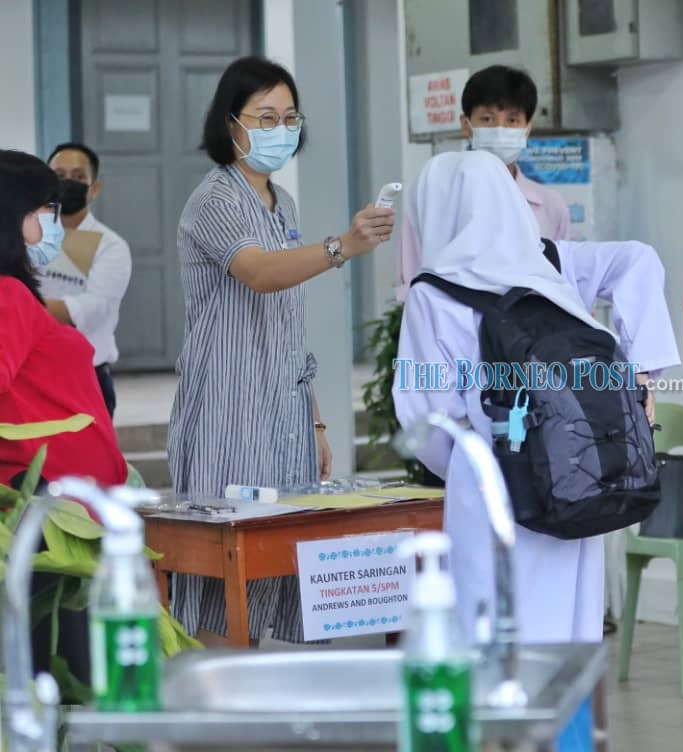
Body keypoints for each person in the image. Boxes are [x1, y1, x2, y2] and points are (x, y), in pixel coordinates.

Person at [393, 150, 679, 644]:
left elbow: (427, 418)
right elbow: (638, 259)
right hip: (576, 474)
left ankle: (504, 721)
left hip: (490, 485)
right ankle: (568, 721)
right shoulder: (549, 264)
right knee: (571, 631)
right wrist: (641, 373)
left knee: (492, 629)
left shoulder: (432, 293)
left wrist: (473, 463)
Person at [167, 56, 395, 646]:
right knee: (227, 572)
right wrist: (343, 245)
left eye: (289, 117)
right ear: (230, 123)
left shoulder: (284, 204)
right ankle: (225, 707)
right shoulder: (213, 199)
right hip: (228, 412)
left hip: (285, 411)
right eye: (264, 116)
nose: (279, 128)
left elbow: (290, 322)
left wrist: (315, 419)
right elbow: (262, 273)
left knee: (280, 561)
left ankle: (270, 701)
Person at [0, 149, 129, 688]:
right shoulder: (7, 295)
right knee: (62, 677)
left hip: (59, 519)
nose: (53, 222)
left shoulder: (16, 290)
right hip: (43, 523)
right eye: (44, 209)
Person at [395, 65, 571, 301]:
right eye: (487, 119)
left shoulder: (550, 205)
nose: (500, 130)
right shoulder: (435, 192)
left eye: (512, 120)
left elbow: (564, 276)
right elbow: (413, 275)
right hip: (450, 325)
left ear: (527, 128)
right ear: (466, 124)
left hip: (530, 330)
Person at [37, 142, 133, 419]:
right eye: (59, 174)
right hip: (31, 374)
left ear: (94, 188)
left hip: (86, 378)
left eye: (78, 177)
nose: (68, 183)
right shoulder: (25, 236)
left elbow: (94, 307)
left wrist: (24, 309)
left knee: (86, 463)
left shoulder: (111, 246)